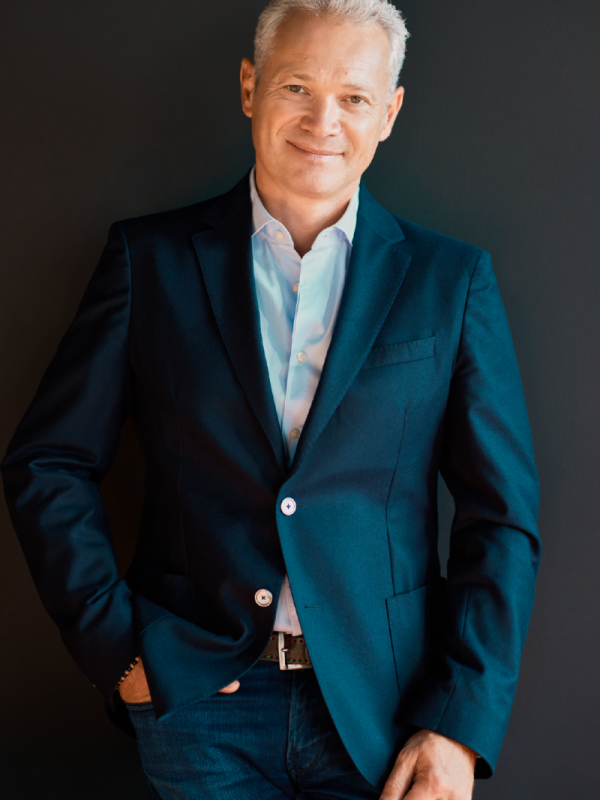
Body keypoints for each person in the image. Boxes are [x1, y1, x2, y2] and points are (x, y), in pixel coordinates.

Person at [1, 1, 541, 798]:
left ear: (389, 112)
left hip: (387, 713)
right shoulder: (148, 261)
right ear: (250, 87)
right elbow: (48, 461)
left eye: (354, 97)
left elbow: (501, 519)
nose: (324, 121)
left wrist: (460, 723)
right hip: (201, 709)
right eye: (297, 87)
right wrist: (116, 649)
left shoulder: (450, 282)